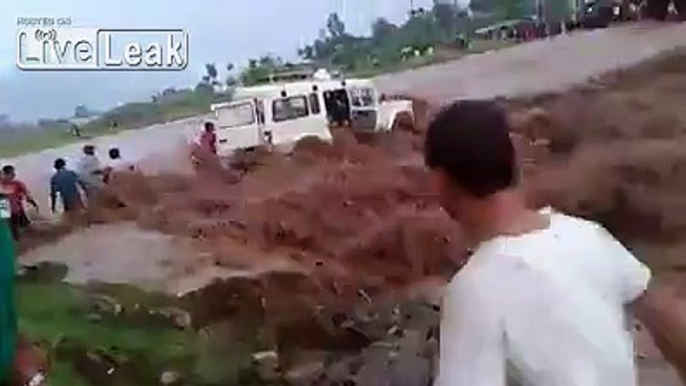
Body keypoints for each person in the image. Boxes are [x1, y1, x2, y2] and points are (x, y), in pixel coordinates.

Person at [426, 100, 686, 386]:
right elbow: (668, 318)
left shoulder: (474, 291)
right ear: (514, 159)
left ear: (441, 184)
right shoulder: (588, 237)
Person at [0, 165, 38, 240]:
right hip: (12, 209)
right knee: (14, 227)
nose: (15, 174)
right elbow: (27, 195)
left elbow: (27, 195)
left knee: (10, 226)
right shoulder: (17, 183)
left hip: (5, 209)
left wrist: (32, 202)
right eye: (12, 173)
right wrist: (33, 202)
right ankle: (16, 240)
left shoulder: (14, 183)